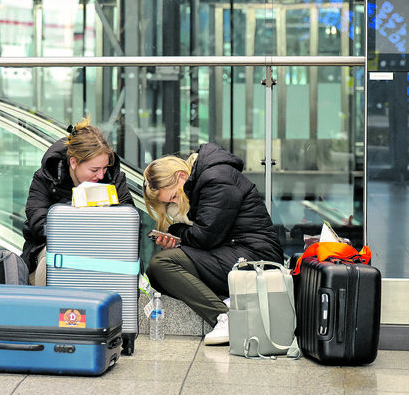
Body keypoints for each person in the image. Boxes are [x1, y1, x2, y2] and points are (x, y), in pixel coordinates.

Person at [142, 142, 284, 345]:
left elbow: (205, 237)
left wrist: (176, 232)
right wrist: (177, 241)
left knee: (162, 264)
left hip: (257, 258)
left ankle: (226, 318)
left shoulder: (216, 178)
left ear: (181, 175)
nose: (175, 203)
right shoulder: (206, 177)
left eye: (173, 196)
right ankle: (227, 303)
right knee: (159, 272)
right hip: (235, 251)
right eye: (169, 203)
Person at [21, 117, 134, 285]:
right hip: (54, 248)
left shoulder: (113, 178)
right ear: (73, 162)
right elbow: (38, 224)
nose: (101, 175)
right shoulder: (46, 177)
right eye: (94, 170)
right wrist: (79, 220)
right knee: (52, 260)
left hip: (102, 249)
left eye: (104, 168)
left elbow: (131, 224)